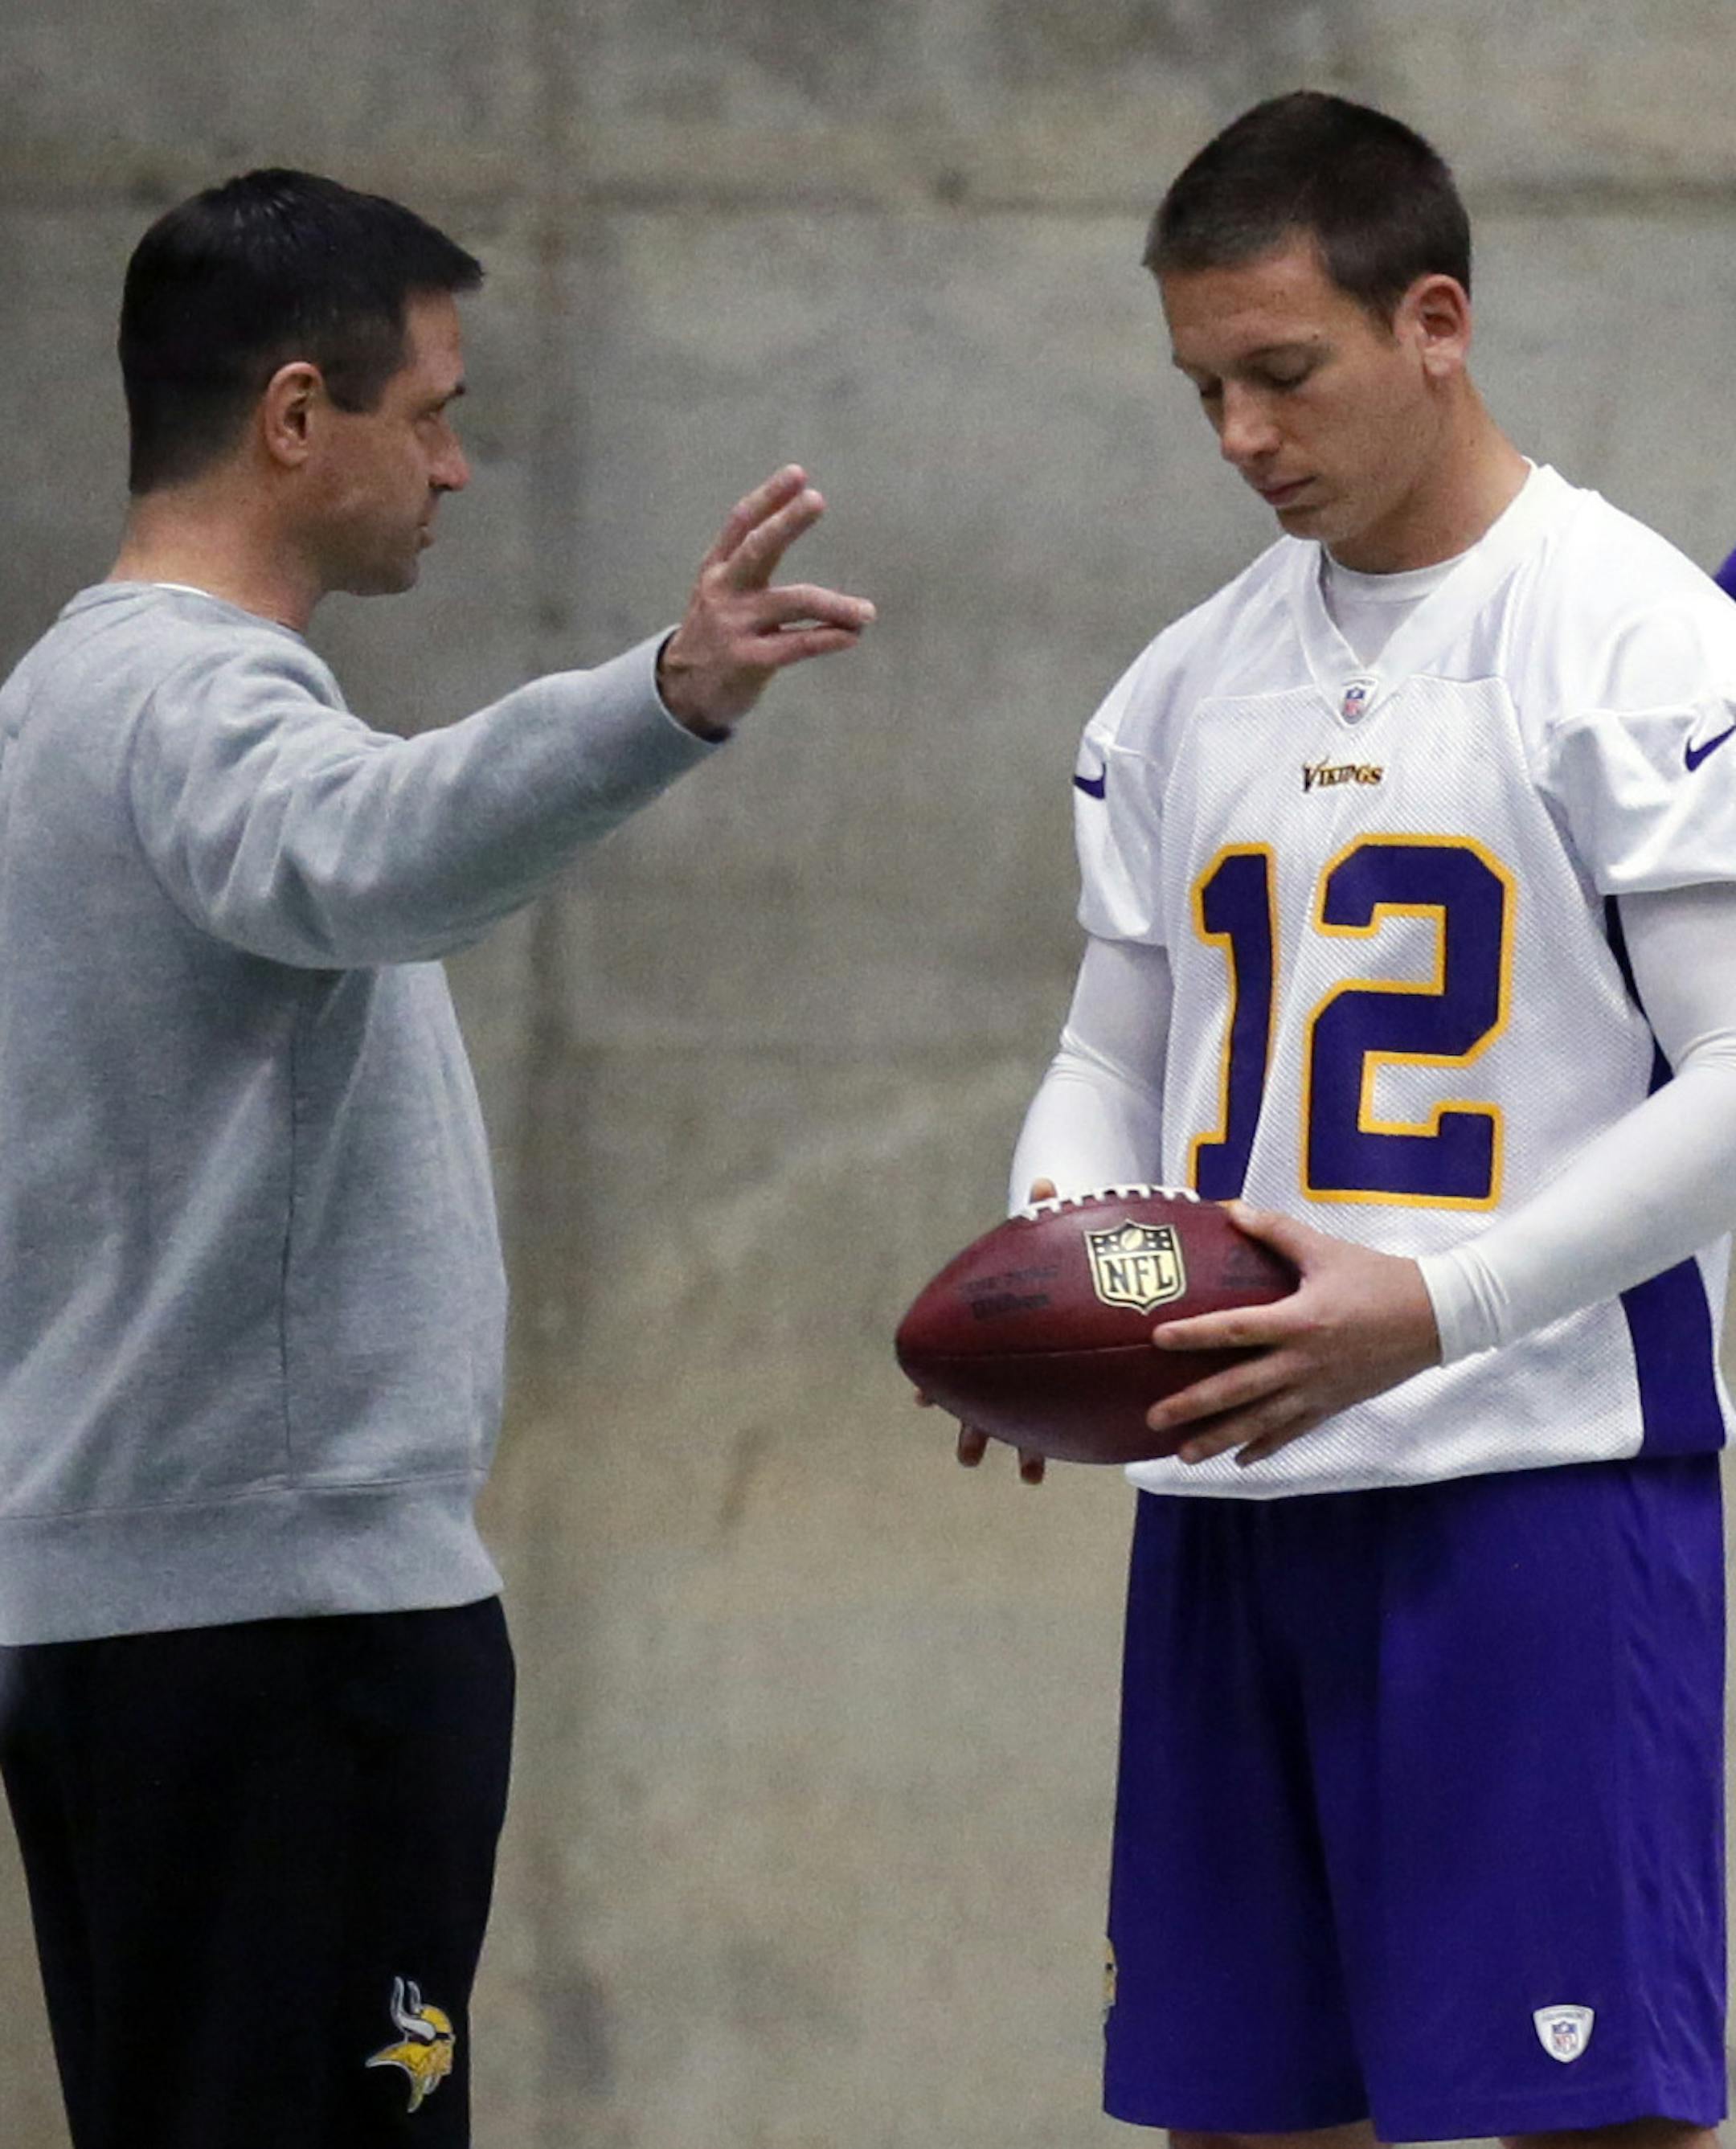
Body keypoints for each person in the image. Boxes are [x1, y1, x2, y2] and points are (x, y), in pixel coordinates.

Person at [0, 168, 874, 2149]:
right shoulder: (186, 700)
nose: (459, 468)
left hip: (134, 1614)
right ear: (295, 416)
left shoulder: (57, 699)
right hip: (279, 1626)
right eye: (434, 414)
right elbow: (375, 850)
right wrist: (663, 693)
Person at [968, 91, 1736, 2148]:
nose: (1241, 433)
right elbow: (1110, 1055)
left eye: (1282, 371)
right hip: (1233, 1485)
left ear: (1436, 322)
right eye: (1203, 387)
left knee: (1599, 2114)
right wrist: (1058, 1273)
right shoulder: (1181, 682)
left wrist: (1440, 1305)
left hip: (1537, 1478)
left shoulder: (1635, 633)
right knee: (1239, 2114)